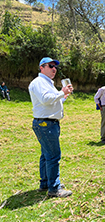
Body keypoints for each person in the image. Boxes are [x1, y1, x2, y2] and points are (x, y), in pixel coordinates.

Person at [28, 57, 73, 198]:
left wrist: (63, 94)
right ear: (42, 67)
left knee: (46, 155)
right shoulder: (39, 82)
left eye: (55, 66)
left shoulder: (47, 83)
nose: (54, 68)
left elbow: (52, 101)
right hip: (45, 124)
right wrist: (61, 92)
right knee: (53, 156)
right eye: (50, 65)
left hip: (48, 123)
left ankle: (46, 183)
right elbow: (46, 99)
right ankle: (54, 188)